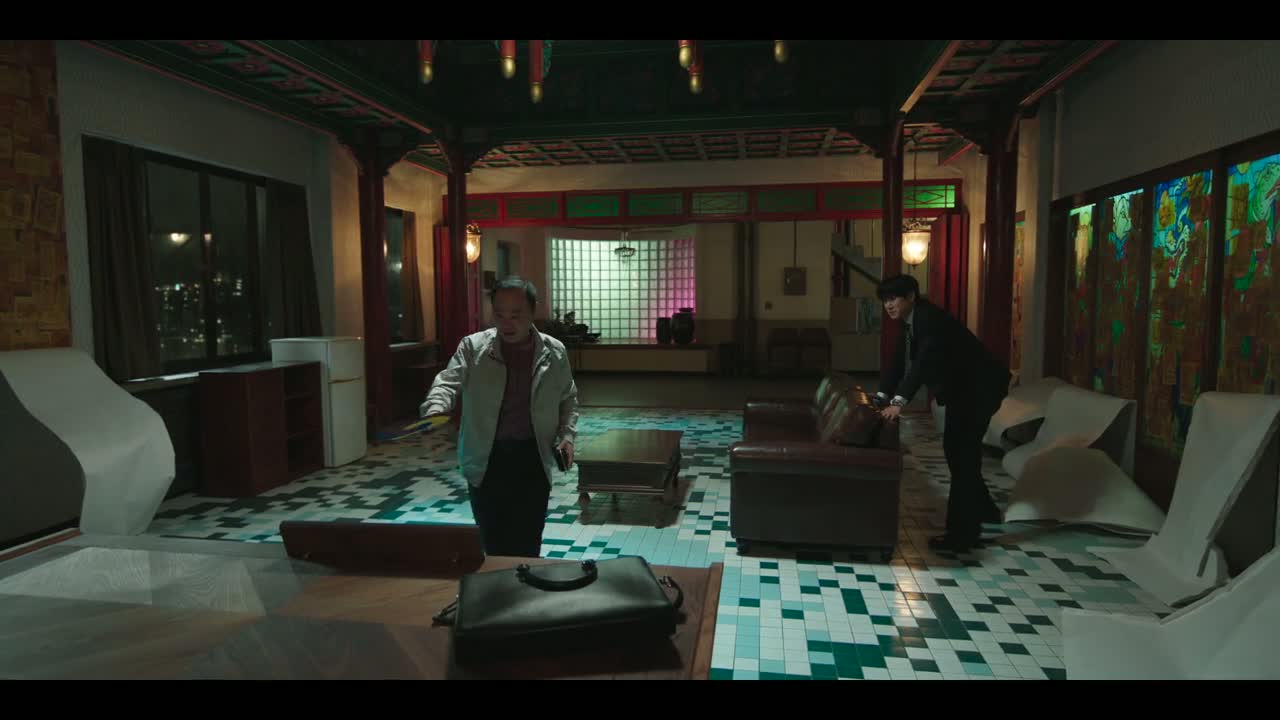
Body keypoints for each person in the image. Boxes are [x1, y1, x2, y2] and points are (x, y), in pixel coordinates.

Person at [420, 276, 579, 558]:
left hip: (533, 457)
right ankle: (497, 583)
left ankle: (524, 584)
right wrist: (436, 407)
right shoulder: (473, 347)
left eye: (516, 315)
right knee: (492, 542)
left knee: (528, 541)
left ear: (533, 311)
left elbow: (568, 398)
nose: (507, 323)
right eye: (499, 314)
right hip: (486, 457)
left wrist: (566, 436)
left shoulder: (553, 351)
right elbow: (448, 381)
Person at [874, 274, 1011, 552]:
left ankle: (962, 535)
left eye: (893, 298)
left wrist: (898, 402)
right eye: (885, 300)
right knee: (958, 453)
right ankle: (984, 511)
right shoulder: (911, 322)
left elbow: (921, 363)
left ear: (911, 296)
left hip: (978, 389)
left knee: (962, 456)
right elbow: (898, 363)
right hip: (966, 391)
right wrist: (881, 396)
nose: (888, 305)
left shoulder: (929, 319)